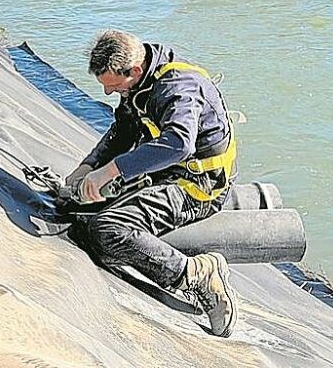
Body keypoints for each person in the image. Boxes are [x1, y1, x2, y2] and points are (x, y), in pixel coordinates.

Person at [65, 29, 238, 337]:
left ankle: (197, 275)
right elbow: (123, 132)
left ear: (134, 70)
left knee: (111, 229)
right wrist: (88, 166)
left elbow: (178, 143)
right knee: (84, 219)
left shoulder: (179, 89)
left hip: (196, 187)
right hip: (164, 174)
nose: (109, 94)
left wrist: (110, 172)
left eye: (114, 86)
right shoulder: (139, 84)